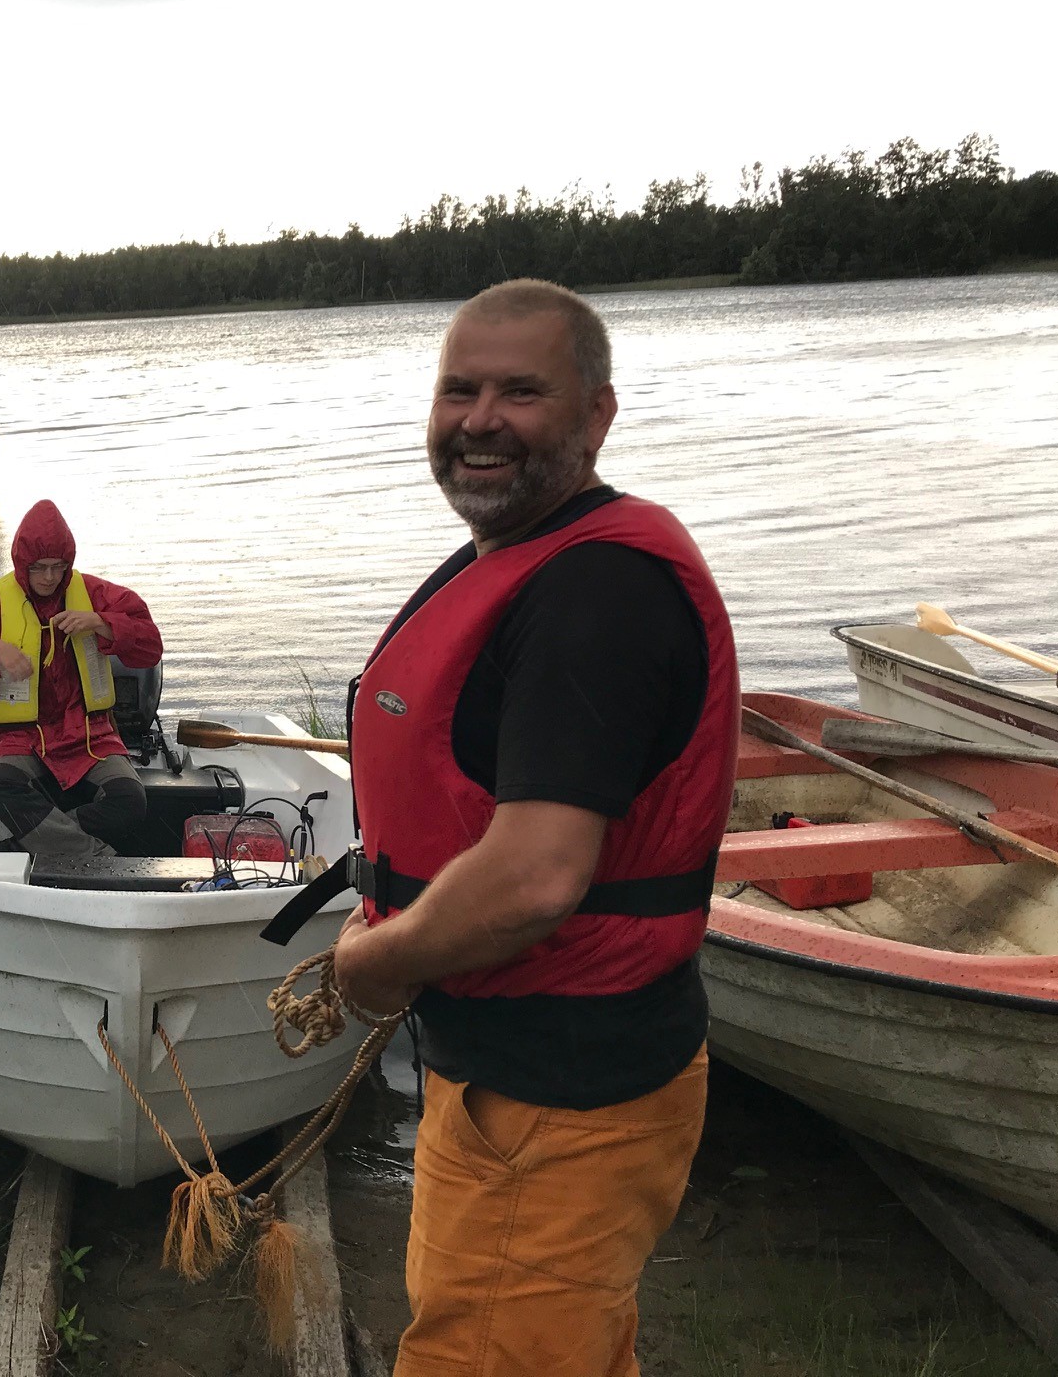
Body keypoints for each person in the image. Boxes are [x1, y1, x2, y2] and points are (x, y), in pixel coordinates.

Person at [328, 280, 739, 1376]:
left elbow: (536, 878)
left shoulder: (597, 595)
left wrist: (376, 962)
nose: (479, 419)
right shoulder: (521, 560)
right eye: (459, 389)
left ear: (597, 415)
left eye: (521, 391)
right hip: (510, 1070)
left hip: (566, 1090)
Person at [0, 499, 162, 856]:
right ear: (22, 565)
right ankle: (90, 857)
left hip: (90, 735)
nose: (49, 577)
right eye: (39, 568)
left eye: (58, 567)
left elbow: (151, 646)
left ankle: (20, 849)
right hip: (21, 737)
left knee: (130, 800)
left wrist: (103, 623)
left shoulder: (97, 595)